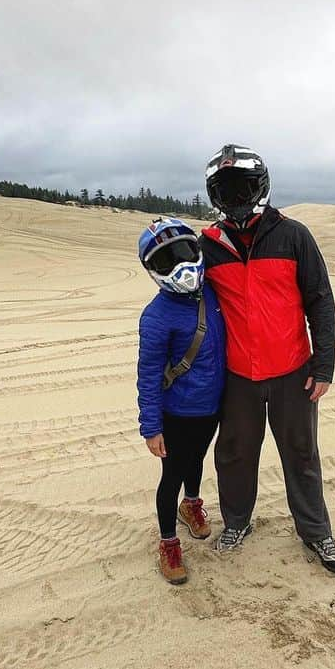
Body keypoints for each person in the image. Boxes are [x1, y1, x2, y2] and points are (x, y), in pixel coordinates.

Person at [199, 145, 335, 574]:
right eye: (225, 188)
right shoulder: (207, 245)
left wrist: (324, 366)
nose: (235, 195)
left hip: (293, 371)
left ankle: (316, 532)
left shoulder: (293, 235)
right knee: (233, 453)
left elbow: (321, 301)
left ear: (260, 186)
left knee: (301, 453)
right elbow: (187, 303)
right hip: (237, 375)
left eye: (242, 186)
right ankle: (238, 523)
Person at [136, 216, 226, 585]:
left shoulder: (213, 293)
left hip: (213, 405)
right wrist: (151, 427)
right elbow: (147, 375)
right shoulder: (156, 317)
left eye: (185, 253)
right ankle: (168, 542)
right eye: (166, 260)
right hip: (177, 411)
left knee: (197, 461)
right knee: (171, 475)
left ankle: (192, 505)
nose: (181, 266)